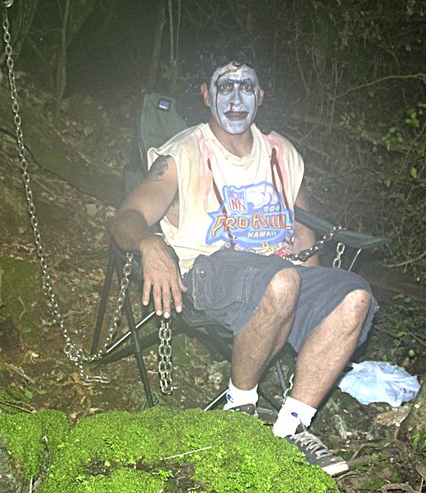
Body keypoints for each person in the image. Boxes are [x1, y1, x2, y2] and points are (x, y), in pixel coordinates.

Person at [109, 44, 378, 476]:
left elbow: (303, 235)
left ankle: (291, 425)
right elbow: (126, 217)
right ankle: (240, 409)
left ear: (261, 95)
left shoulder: (284, 156)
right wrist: (149, 244)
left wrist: (315, 309)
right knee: (282, 282)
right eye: (224, 86)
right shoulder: (183, 154)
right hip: (209, 271)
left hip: (279, 276)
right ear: (204, 93)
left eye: (246, 86)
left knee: (354, 298)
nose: (235, 99)